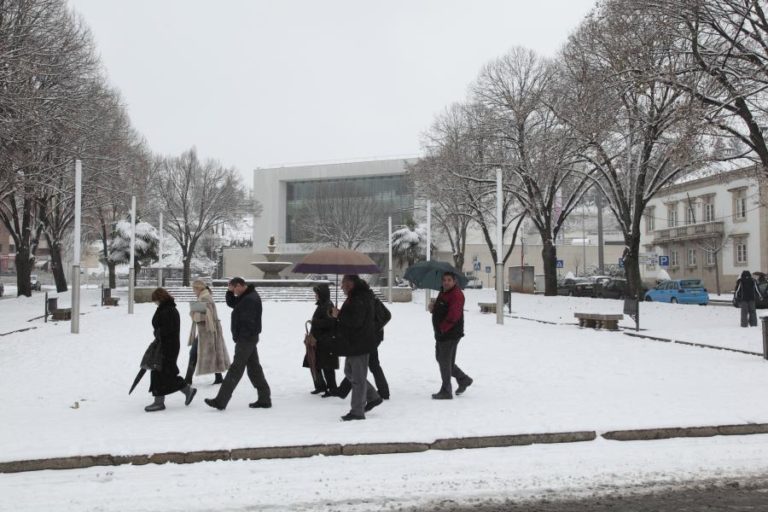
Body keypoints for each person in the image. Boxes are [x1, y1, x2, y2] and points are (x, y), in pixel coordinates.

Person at [204, 277, 271, 410]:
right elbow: (233, 303)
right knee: (254, 369)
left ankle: (220, 401)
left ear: (240, 285)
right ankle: (264, 398)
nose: (233, 292)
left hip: (246, 339)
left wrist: (240, 337)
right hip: (248, 338)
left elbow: (248, 322)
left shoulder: (250, 299)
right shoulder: (246, 296)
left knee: (235, 369)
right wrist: (229, 292)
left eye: (233, 289)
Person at [331, 275, 382, 421]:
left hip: (360, 343)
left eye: (344, 284)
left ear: (351, 284)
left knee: (358, 379)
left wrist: (339, 315)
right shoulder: (356, 296)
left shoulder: (360, 298)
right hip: (354, 343)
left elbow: (355, 322)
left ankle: (357, 412)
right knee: (349, 371)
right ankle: (373, 396)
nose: (341, 287)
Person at [145, 288, 197, 412]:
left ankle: (162, 401)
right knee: (162, 371)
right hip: (166, 345)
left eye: (155, 300)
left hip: (168, 346)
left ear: (160, 298)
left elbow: (167, 329)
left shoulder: (168, 310)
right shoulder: (166, 309)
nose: (155, 303)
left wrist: (158, 333)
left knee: (162, 371)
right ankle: (184, 391)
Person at [429, 272, 473, 400]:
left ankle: (446, 390)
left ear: (454, 281)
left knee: (444, 361)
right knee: (442, 359)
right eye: (444, 280)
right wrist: (433, 308)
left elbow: (454, 315)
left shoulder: (457, 295)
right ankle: (463, 379)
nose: (446, 282)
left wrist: (443, 329)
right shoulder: (443, 292)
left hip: (450, 333)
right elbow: (441, 309)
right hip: (441, 333)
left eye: (449, 280)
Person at [185, 280, 231, 385]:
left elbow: (204, 316)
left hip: (206, 331)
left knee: (194, 353)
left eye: (194, 289)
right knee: (213, 351)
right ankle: (218, 377)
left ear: (199, 288)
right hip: (208, 330)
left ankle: (188, 379)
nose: (193, 291)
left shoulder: (204, 297)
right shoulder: (205, 296)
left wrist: (192, 313)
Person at [303, 283, 339, 395]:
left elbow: (330, 322)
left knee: (326, 366)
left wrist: (315, 322)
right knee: (315, 363)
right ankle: (320, 386)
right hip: (318, 340)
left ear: (321, 294)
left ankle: (332, 388)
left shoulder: (328, 305)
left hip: (326, 341)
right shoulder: (322, 305)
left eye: (317, 293)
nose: (315, 296)